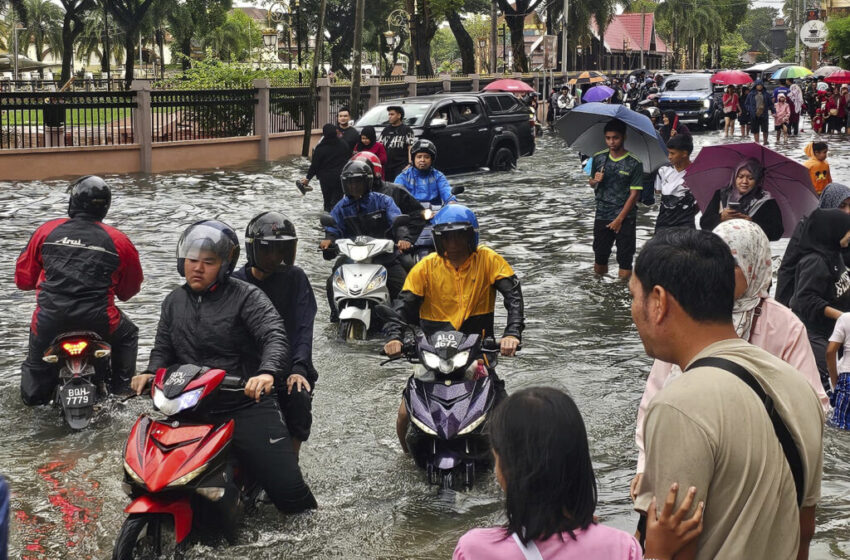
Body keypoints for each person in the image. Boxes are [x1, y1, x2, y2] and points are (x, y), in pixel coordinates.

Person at [629, 228, 824, 560]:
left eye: (633, 296)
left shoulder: (678, 407)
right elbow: (805, 534)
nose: (633, 310)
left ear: (659, 302)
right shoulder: (798, 388)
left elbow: (677, 551)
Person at [129, 220, 317, 514]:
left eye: (208, 262)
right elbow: (163, 348)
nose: (198, 268)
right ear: (182, 261)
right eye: (192, 260)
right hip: (188, 404)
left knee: (292, 498)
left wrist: (266, 372)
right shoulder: (173, 301)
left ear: (225, 266)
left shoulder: (247, 296)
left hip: (242, 402)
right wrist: (151, 373)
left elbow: (274, 335)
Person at [453, 387, 703, 560]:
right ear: (579, 462)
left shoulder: (475, 549)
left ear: (504, 471)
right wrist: (658, 554)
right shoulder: (619, 547)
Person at [382, 205, 524, 452]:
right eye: (447, 236)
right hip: (432, 354)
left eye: (459, 235)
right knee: (405, 411)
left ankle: (509, 460)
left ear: (471, 236)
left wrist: (511, 333)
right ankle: (406, 456)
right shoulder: (425, 267)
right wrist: (394, 337)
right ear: (438, 238)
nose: (453, 242)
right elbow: (401, 306)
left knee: (505, 411)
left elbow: (513, 297)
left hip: (477, 352)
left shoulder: (489, 260)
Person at [15, 176, 143, 405]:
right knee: (128, 334)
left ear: (72, 201)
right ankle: (123, 392)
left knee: (34, 381)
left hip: (49, 321)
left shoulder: (46, 231)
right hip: (101, 322)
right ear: (105, 207)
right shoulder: (119, 240)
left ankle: (34, 398)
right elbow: (129, 290)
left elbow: (23, 280)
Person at [232, 212, 317, 457]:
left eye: (281, 251)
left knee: (298, 397)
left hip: (288, 364)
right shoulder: (236, 283)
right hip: (246, 365)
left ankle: (292, 460)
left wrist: (299, 369)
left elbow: (304, 326)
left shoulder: (295, 278)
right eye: (268, 250)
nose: (274, 258)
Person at [320, 160, 411, 320]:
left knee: (405, 285)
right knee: (331, 282)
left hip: (384, 256)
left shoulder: (383, 201)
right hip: (352, 258)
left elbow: (396, 220)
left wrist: (403, 238)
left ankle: (405, 320)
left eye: (358, 182)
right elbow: (333, 228)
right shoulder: (341, 207)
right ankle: (335, 316)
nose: (354, 186)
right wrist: (328, 240)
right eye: (350, 183)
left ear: (367, 182)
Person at [789, 209, 850, 392]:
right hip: (815, 333)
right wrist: (842, 316)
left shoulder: (835, 253)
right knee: (830, 384)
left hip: (835, 330)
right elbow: (806, 299)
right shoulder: (814, 261)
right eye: (847, 230)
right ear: (833, 231)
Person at [776, 182, 850, 307]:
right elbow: (788, 268)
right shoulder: (807, 228)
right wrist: (780, 307)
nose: (847, 211)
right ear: (829, 204)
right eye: (842, 206)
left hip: (838, 296)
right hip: (809, 301)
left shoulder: (847, 228)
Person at [350, 151, 426, 269]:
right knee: (334, 276)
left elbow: (418, 215)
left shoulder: (395, 191)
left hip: (391, 249)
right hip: (359, 251)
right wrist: (330, 240)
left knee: (409, 266)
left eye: (361, 176)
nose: (357, 182)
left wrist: (406, 240)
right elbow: (339, 223)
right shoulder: (349, 198)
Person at [587, 119, 644, 278]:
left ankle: (622, 294)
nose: (611, 142)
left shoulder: (634, 163)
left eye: (615, 138)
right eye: (608, 138)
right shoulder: (599, 158)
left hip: (626, 217)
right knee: (600, 257)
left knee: (625, 260)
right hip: (602, 214)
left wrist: (619, 219)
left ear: (623, 137)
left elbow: (634, 195)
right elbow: (591, 183)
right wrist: (594, 180)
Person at [699, 158, 784, 241]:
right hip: (722, 248)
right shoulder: (721, 195)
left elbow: (776, 233)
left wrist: (752, 223)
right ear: (734, 177)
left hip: (752, 250)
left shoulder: (766, 201)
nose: (744, 181)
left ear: (757, 180)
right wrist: (721, 217)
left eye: (750, 178)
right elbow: (704, 224)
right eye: (740, 177)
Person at [301, 123, 352, 212]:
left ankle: (327, 222)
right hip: (340, 178)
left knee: (327, 202)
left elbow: (314, 166)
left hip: (326, 180)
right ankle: (337, 221)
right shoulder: (344, 144)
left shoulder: (320, 148)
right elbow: (348, 160)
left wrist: (308, 178)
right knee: (337, 201)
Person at [654, 134, 698, 231]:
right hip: (663, 223)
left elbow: (700, 203)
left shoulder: (697, 174)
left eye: (672, 153)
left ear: (684, 154)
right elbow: (658, 193)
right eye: (668, 153)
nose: (669, 157)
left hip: (685, 225)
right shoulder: (663, 170)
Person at [393, 139, 456, 205]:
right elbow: (396, 196)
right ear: (413, 159)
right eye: (419, 157)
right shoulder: (403, 177)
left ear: (432, 159)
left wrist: (451, 201)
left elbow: (446, 190)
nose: (422, 160)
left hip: (436, 213)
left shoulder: (438, 176)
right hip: (411, 213)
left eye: (426, 157)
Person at [827, 312, 850, 429]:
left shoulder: (846, 318)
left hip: (847, 378)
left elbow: (831, 352)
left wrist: (835, 381)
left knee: (840, 427)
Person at [380, 105, 415, 181]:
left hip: (401, 166)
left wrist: (410, 164)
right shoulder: (385, 130)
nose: (389, 116)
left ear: (399, 115)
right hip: (387, 167)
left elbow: (410, 147)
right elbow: (380, 147)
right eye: (389, 114)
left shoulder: (407, 130)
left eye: (392, 114)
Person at [744, 79, 774, 145]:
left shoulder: (766, 94)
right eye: (758, 85)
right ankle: (757, 143)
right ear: (755, 86)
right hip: (754, 115)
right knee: (755, 130)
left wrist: (773, 111)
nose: (759, 86)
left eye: (761, 85)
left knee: (765, 129)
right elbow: (746, 104)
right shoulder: (751, 94)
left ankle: (765, 142)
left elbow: (770, 104)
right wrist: (750, 110)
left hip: (764, 114)